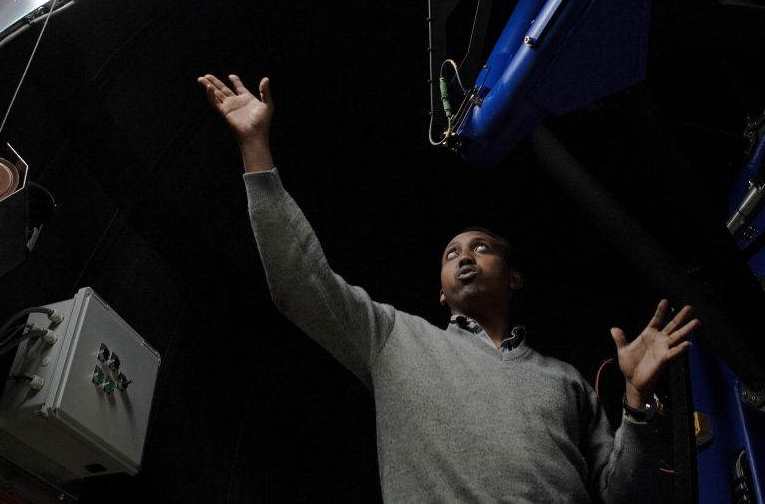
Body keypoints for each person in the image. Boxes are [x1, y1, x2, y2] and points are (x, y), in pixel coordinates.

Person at [197, 73, 700, 503]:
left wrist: (636, 400)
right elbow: (300, 283)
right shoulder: (394, 339)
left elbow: (624, 496)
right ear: (440, 292)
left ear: (513, 277)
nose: (464, 255)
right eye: (451, 253)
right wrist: (255, 149)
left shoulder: (565, 381)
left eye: (482, 247)